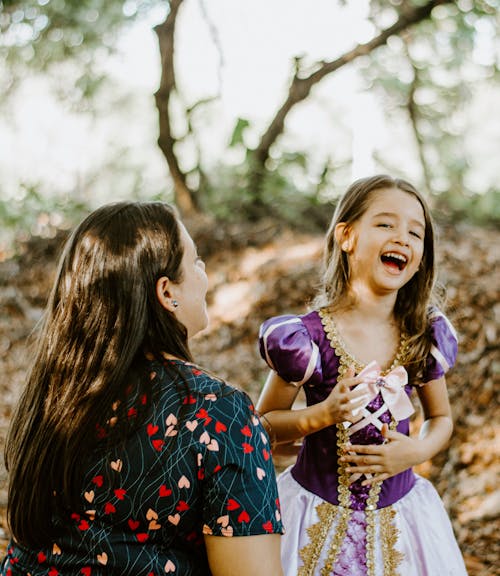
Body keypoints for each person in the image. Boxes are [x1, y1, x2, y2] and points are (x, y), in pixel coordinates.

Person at [1, 201, 284, 576]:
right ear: (167, 293)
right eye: (196, 262)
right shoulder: (218, 413)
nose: (205, 275)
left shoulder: (52, 397)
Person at [257, 175, 468, 576]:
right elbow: (263, 428)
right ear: (347, 237)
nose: (402, 237)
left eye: (415, 232)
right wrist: (321, 415)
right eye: (386, 224)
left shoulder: (423, 336)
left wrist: (416, 451)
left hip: (404, 521)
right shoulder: (306, 339)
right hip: (312, 518)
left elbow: (441, 420)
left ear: (421, 256)